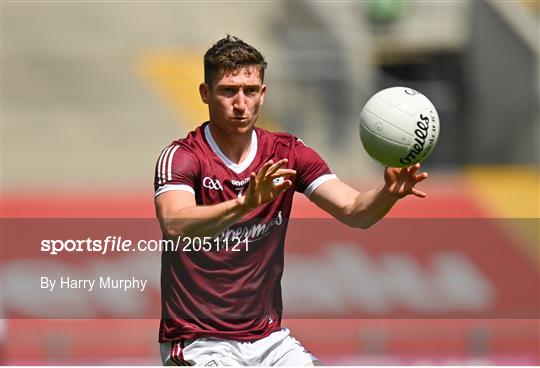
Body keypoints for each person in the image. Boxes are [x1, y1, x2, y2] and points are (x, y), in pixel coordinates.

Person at [154, 35, 428, 366]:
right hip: (199, 340)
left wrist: (388, 195)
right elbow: (175, 224)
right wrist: (244, 204)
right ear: (205, 93)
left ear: (263, 94)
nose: (240, 102)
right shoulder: (183, 156)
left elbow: (355, 211)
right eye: (228, 90)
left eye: (250, 90)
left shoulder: (287, 153)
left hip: (267, 339)